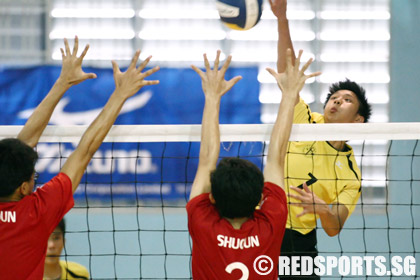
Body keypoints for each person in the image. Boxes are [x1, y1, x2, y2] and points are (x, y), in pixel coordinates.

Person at [0, 37, 160, 280]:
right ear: (23, 188)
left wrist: (63, 82)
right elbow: (84, 151)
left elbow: (21, 147)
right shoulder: (36, 213)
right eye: (34, 177)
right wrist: (120, 95)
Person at [187, 49, 320, 279]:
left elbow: (207, 158)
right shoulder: (271, 224)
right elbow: (277, 159)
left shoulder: (201, 222)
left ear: (212, 198)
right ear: (260, 200)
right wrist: (290, 94)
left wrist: (211, 96)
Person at [269, 0, 372, 278]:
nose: (336, 101)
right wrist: (281, 17)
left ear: (358, 120)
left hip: (299, 241)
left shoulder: (351, 174)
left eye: (347, 100)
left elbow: (333, 227)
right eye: (334, 98)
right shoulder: (306, 120)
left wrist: (322, 208)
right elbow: (287, 75)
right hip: (263, 224)